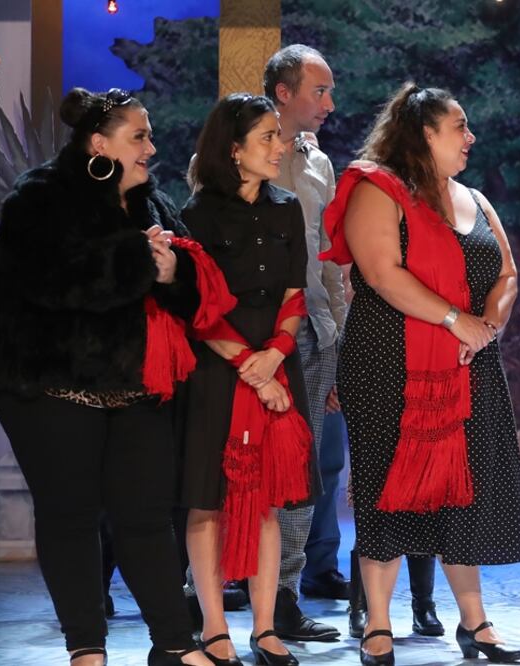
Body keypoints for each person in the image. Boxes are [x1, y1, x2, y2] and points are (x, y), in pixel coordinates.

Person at [0, 88, 223, 666]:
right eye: (139, 136)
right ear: (99, 143)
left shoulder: (153, 202)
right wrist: (138, 260)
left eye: (150, 135)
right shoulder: (39, 196)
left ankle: (175, 645)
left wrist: (174, 274)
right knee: (70, 517)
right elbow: (50, 283)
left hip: (137, 389)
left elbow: (191, 292)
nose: (152, 147)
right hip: (52, 387)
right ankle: (86, 648)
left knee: (146, 517)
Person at [321, 82, 520, 665]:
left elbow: (507, 273)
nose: (471, 137)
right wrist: (455, 320)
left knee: (464, 492)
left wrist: (485, 326)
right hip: (389, 365)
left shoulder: (474, 198)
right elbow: (381, 273)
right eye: (459, 126)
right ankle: (378, 625)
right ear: (425, 133)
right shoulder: (377, 189)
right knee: (386, 490)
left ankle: (475, 623)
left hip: (469, 366)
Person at [181, 93, 320, 666]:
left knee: (267, 502)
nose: (279, 145)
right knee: (207, 501)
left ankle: (264, 629)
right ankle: (215, 628)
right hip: (219, 369)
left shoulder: (287, 207)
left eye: (277, 135)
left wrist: (277, 355)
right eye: (267, 136)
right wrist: (252, 368)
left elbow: (295, 293)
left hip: (276, 361)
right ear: (234, 150)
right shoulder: (196, 215)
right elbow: (197, 308)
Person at [262, 42, 345, 643]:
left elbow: (331, 260)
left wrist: (338, 336)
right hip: (253, 337)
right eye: (319, 91)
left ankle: (286, 595)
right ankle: (209, 591)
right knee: (236, 467)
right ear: (283, 93)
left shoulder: (319, 163)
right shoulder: (231, 153)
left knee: (303, 470)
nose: (329, 103)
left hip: (315, 331)